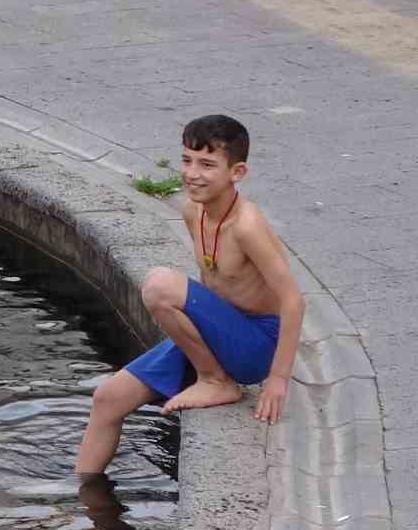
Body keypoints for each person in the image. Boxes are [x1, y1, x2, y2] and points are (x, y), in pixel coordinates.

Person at [74, 114, 305, 475]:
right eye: (187, 160)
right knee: (107, 399)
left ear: (237, 172)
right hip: (220, 335)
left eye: (207, 164)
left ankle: (215, 381)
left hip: (255, 345)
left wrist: (277, 380)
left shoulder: (247, 226)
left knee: (160, 285)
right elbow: (213, 280)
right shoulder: (191, 210)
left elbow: (294, 300)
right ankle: (83, 497)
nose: (192, 173)